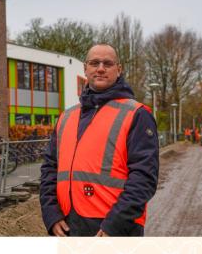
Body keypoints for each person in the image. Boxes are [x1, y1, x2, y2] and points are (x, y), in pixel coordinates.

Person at [40, 44, 159, 237]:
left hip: (113, 229)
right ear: (85, 69)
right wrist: (51, 215)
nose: (101, 68)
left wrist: (115, 225)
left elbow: (144, 178)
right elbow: (49, 169)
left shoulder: (137, 115)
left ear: (118, 70)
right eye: (95, 63)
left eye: (108, 63)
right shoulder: (66, 117)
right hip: (67, 226)